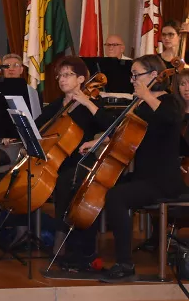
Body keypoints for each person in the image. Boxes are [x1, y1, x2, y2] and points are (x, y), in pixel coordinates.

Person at [76, 54, 184, 280]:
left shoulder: (170, 102)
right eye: (132, 75)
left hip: (164, 180)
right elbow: (120, 130)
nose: (132, 79)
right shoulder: (143, 107)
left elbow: (172, 119)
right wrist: (97, 139)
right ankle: (84, 254)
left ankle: (125, 264)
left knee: (117, 196)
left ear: (155, 75)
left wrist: (147, 96)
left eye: (137, 75)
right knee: (100, 186)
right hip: (144, 177)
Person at [3, 57, 113, 271]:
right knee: (32, 180)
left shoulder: (92, 103)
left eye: (67, 75)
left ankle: (75, 247)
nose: (61, 79)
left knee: (66, 183)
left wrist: (87, 103)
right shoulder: (56, 105)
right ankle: (31, 232)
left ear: (81, 79)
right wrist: (17, 137)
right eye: (60, 75)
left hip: (81, 161)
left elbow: (111, 127)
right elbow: (36, 128)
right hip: (56, 160)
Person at [2, 53, 42, 119]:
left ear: (21, 70)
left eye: (16, 65)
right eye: (7, 66)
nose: (11, 69)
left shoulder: (32, 93)